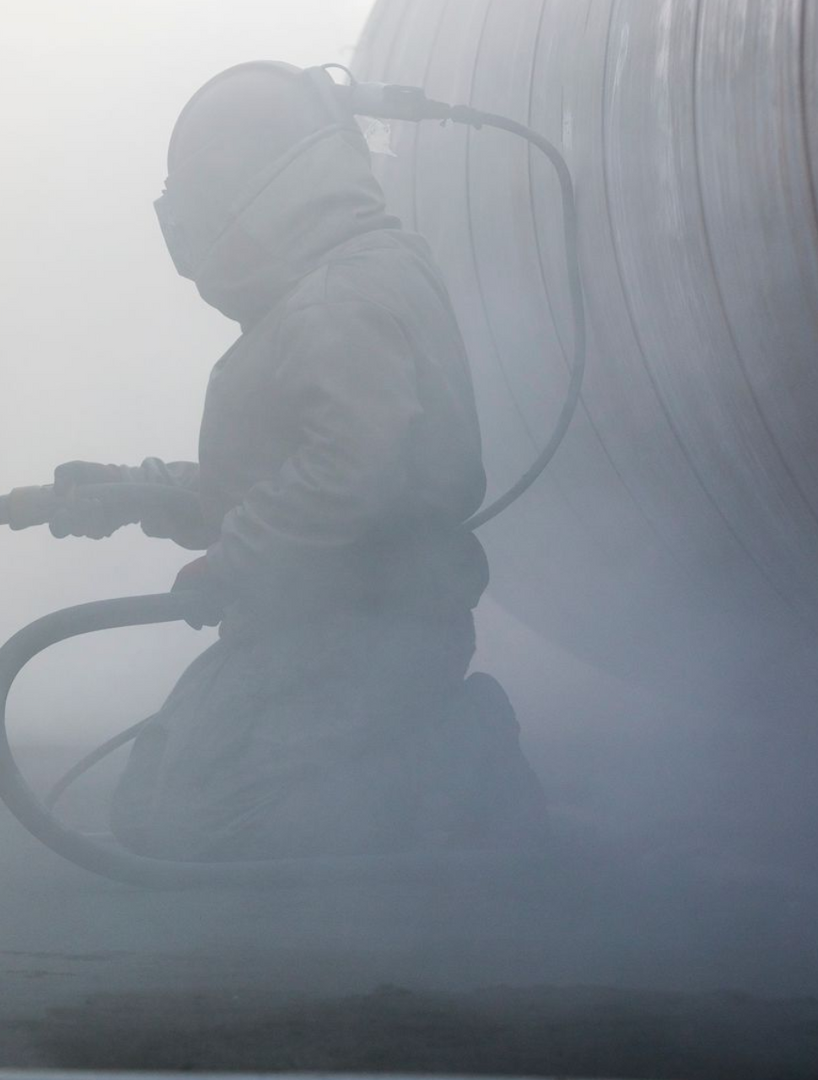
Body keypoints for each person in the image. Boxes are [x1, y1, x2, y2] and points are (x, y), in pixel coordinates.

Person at [50, 62, 546, 860]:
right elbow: (285, 476)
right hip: (315, 626)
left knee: (201, 820)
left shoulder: (335, 302)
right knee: (148, 807)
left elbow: (356, 472)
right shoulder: (334, 285)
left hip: (371, 631)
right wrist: (133, 493)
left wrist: (231, 562)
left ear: (258, 189)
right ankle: (429, 751)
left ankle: (465, 752)